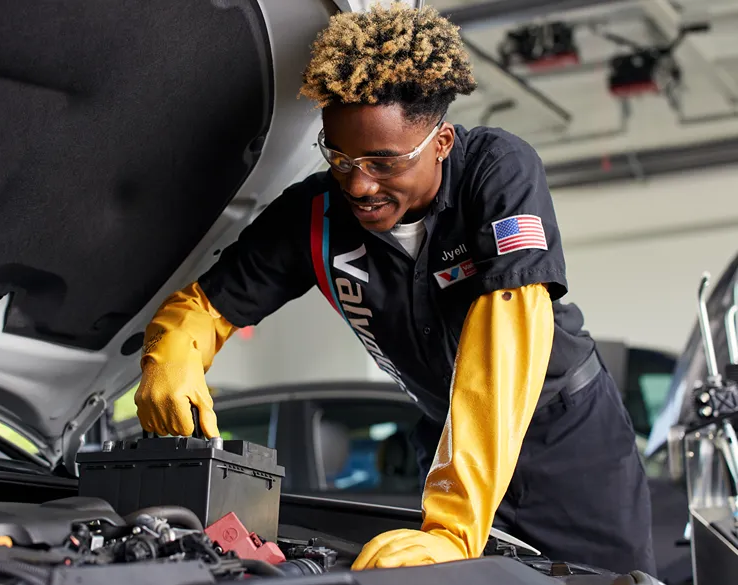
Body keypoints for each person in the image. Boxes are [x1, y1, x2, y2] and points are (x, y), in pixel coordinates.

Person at [134, 2, 655, 575]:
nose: (359, 184)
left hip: (570, 448)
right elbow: (206, 305)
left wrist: (455, 527)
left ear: (442, 142)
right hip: (451, 445)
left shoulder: (497, 171)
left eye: (384, 162)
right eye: (340, 156)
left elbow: (508, 327)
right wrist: (172, 355)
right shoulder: (314, 218)